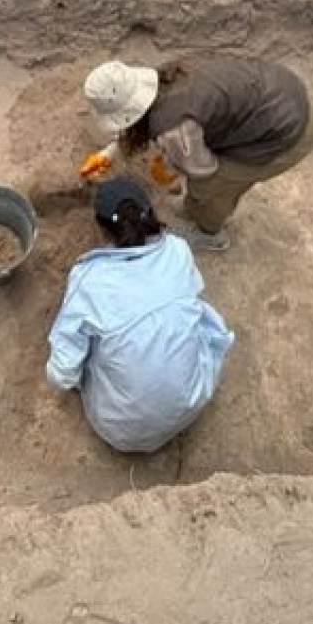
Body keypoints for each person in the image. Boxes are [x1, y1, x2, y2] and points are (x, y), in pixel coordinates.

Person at [45, 176, 234, 453]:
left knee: (92, 348)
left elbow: (62, 375)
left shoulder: (90, 280)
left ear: (101, 230)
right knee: (193, 311)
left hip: (123, 432)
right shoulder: (178, 251)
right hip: (193, 401)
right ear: (150, 216)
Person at [82, 56, 313, 252]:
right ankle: (195, 211)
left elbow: (205, 172)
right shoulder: (169, 75)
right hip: (282, 89)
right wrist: (110, 152)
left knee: (213, 189)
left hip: (285, 136)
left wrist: (177, 170)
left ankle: (209, 234)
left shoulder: (174, 129)